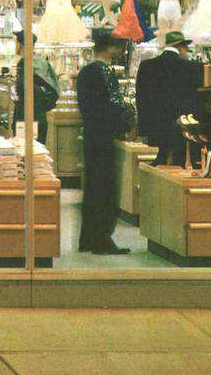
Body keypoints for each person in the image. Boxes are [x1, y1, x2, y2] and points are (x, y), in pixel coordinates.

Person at [76, 34, 131, 255]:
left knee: (92, 187)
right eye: (117, 48)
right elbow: (116, 104)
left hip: (90, 134)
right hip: (105, 136)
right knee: (106, 188)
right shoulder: (106, 72)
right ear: (110, 49)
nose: (119, 52)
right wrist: (123, 126)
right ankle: (102, 239)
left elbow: (84, 106)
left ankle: (87, 239)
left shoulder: (84, 73)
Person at [136, 31, 203, 167]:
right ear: (180, 48)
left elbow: (140, 100)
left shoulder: (146, 66)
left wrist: (144, 129)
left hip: (156, 128)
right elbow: (196, 101)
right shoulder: (192, 68)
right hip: (181, 130)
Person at [12, 30, 61, 144]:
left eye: (16, 42)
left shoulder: (25, 64)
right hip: (40, 116)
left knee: (26, 153)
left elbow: (24, 91)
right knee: (38, 155)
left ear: (21, 44)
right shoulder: (42, 62)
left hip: (27, 117)